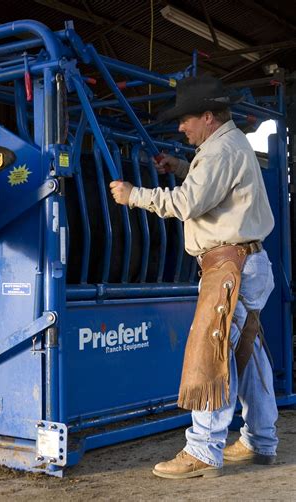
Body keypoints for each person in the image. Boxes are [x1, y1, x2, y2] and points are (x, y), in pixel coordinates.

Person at [110, 75, 278, 479]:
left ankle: (202, 448)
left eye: (186, 119)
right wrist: (182, 166)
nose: (181, 127)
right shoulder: (229, 146)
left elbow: (187, 203)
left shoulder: (220, 150)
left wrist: (135, 195)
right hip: (247, 263)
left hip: (228, 266)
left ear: (207, 116)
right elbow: (220, 190)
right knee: (248, 356)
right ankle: (261, 440)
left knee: (213, 353)